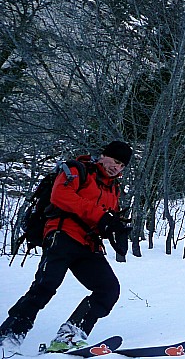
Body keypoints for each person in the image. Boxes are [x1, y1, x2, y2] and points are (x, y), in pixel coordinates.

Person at [0, 141, 133, 356]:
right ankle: (9, 336)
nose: (117, 167)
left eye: (122, 166)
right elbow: (60, 196)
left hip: (89, 245)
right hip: (62, 235)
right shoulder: (76, 170)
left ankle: (69, 336)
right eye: (115, 161)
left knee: (108, 290)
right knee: (45, 286)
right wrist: (101, 216)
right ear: (103, 156)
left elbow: (105, 219)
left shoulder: (113, 189)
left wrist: (115, 228)